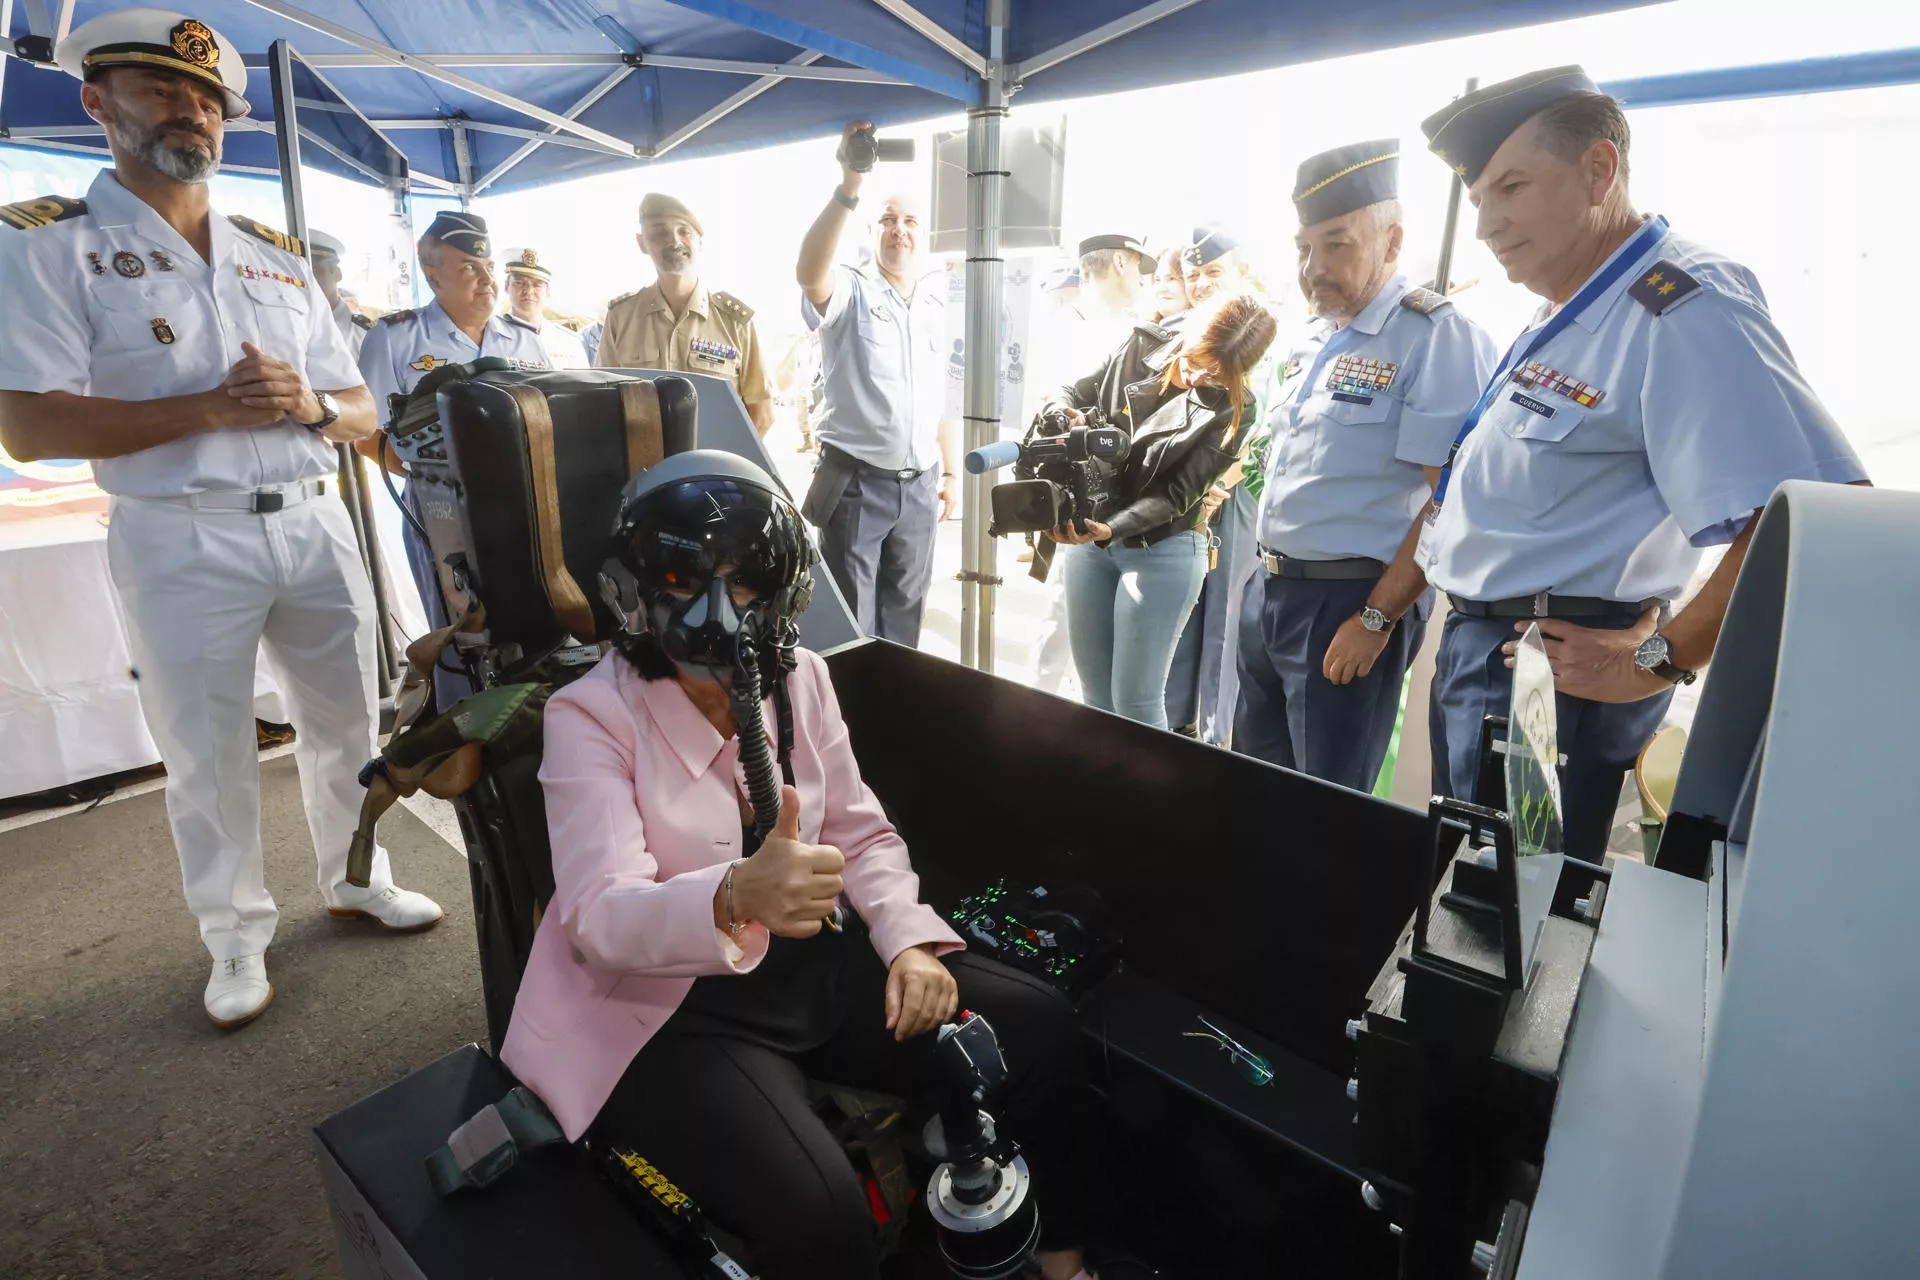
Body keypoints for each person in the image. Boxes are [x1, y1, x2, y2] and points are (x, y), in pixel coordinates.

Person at [499, 450, 1096, 1280]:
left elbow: (860, 832)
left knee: (1038, 1028)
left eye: (743, 582)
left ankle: (1060, 1261)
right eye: (683, 576)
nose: (715, 610)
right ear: (636, 588)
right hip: (666, 1008)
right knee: (820, 1211)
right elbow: (600, 916)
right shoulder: (590, 715)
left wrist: (908, 943)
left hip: (804, 966)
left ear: (780, 591)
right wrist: (736, 891)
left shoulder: (800, 679)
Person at [0, 8, 441, 1030]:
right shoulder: (50, 244)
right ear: (97, 103)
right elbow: (26, 424)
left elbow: (361, 407)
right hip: (180, 533)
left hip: (311, 519)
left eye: (206, 100)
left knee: (346, 723)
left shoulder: (274, 254)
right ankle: (235, 936)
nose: (189, 112)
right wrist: (210, 407)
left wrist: (311, 407)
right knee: (208, 751)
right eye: (162, 91)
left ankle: (356, 873)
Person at [1416, 66, 1867, 858]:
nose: (1488, 222)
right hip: (1493, 660)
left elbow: (1818, 517)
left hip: (1557, 684)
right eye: (1481, 196)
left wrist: (1657, 662)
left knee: (1516, 928)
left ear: (1599, 171)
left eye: (1512, 186)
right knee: (1472, 905)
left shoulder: (1681, 302)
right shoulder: (1576, 304)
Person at [1234, 141, 1497, 792]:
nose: (1312, 266)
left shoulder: (1434, 337)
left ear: (1393, 240)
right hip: (1269, 590)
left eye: (1337, 244)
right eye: (1303, 248)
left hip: (1349, 603)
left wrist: (1377, 618)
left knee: (1324, 810)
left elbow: (1451, 503)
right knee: (1246, 792)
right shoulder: (1314, 339)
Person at [1041, 296, 1277, 729]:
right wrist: (1059, 412)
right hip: (1092, 541)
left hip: (1162, 546)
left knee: (1136, 704)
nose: (1202, 375)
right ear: (1192, 334)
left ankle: (1144, 797)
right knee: (1094, 699)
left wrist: (1110, 527)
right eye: (1200, 359)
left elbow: (1177, 495)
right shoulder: (1140, 344)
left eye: (1219, 373)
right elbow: (1073, 390)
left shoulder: (1236, 408)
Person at [796, 122, 960, 646]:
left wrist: (951, 474)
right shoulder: (851, 288)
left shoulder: (938, 302)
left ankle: (895, 718)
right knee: (851, 627)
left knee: (905, 620)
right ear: (872, 232)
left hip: (919, 488)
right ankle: (851, 724)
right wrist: (850, 188)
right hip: (857, 486)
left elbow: (940, 400)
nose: (900, 230)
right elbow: (809, 274)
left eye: (911, 221)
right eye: (888, 220)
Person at [355, 210, 550, 627]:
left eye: (489, 267)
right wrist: (429, 483)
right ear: (432, 274)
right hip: (442, 511)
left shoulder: (525, 341)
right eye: (468, 266)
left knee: (534, 618)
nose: (487, 279)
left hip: (526, 503)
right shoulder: (396, 338)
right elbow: (365, 432)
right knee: (458, 631)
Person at [1029, 233, 1152, 698]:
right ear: (1122, 262)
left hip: (1119, 504)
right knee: (1064, 623)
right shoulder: (1083, 329)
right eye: (1140, 268)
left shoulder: (1123, 326)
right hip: (1082, 500)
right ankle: (1036, 723)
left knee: (1082, 629)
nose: (1143, 281)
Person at [596, 193, 773, 434]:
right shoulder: (621, 317)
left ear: (700, 240)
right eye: (659, 232)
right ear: (642, 243)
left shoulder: (736, 322)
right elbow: (603, 402)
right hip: (643, 466)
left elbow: (761, 415)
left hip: (712, 467)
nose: (674, 241)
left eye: (684, 231)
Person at [502, 248, 590, 369]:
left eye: (537, 285)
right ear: (506, 287)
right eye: (519, 283)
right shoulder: (491, 336)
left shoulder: (570, 342)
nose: (528, 291)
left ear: (547, 291)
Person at [310, 228, 374, 358]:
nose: (305, 280)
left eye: (313, 271)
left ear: (337, 274)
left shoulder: (364, 335)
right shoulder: (284, 324)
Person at [1183, 224, 1252, 304]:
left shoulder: (1264, 315)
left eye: (1213, 272)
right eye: (1192, 276)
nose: (1201, 284)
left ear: (1241, 271)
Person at [1148, 246, 1191, 327]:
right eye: (1157, 280)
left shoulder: (1204, 333)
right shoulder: (1143, 332)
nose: (1161, 289)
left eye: (1172, 279)